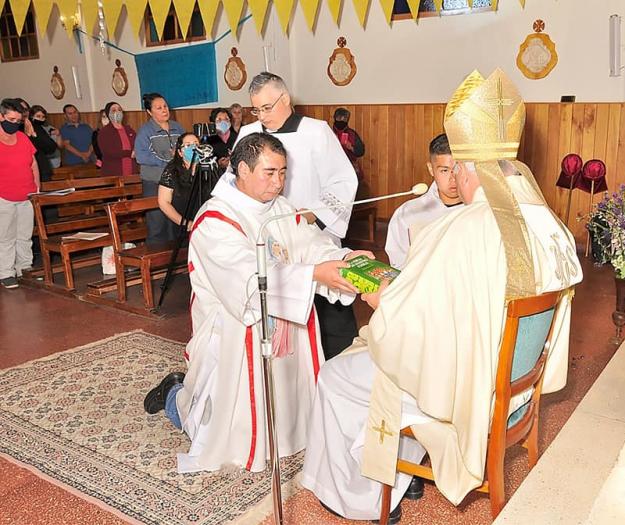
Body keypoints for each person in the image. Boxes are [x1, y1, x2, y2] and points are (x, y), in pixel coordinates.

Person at [301, 69, 583, 522]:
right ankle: (407, 476)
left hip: (471, 387)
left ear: (470, 169)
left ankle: (359, 497)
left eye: (461, 171)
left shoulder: (460, 229)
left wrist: (378, 297)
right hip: (514, 381)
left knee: (338, 376)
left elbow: (408, 331)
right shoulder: (548, 224)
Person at [143, 132, 372, 474]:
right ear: (242, 170)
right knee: (217, 428)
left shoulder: (279, 207)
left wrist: (343, 258)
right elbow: (247, 281)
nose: (279, 182)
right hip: (236, 329)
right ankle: (175, 395)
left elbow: (309, 245)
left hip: (286, 322)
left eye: (283, 172)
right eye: (270, 172)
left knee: (289, 396)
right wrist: (313, 274)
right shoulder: (216, 219)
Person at [235, 72, 359, 360]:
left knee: (327, 298)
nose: (262, 116)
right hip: (268, 234)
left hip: (309, 232)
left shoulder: (316, 131)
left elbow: (342, 180)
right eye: (256, 109)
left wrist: (315, 214)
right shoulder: (248, 134)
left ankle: (335, 363)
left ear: (286, 99)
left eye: (267, 107)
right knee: (279, 302)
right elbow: (235, 182)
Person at [384, 133, 463, 269]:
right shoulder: (407, 213)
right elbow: (399, 266)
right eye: (444, 170)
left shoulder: (483, 211)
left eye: (457, 169)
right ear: (431, 169)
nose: (453, 179)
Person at [135, 93, 185, 243]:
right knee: (157, 223)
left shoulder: (177, 127)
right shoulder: (146, 131)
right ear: (150, 112)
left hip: (175, 181)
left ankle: (174, 259)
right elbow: (142, 156)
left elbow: (186, 147)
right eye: (159, 108)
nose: (164, 110)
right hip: (154, 182)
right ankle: (155, 260)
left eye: (165, 106)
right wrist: (168, 159)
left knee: (175, 222)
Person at [0, 98, 39, 289]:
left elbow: (33, 163)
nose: (14, 124)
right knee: (6, 236)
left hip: (27, 195)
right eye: (11, 119)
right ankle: (6, 272)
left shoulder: (22, 138)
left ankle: (24, 267)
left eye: (18, 121)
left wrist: (37, 188)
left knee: (24, 235)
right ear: (1, 116)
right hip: (4, 196)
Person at [157, 132, 201, 239]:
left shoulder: (207, 167)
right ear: (180, 152)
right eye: (188, 145)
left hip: (205, 223)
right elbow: (163, 202)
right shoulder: (172, 170)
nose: (193, 148)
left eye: (196, 144)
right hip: (180, 224)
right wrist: (185, 223)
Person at [17, 99, 57, 183]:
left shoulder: (34, 125)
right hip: (21, 172)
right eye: (20, 109)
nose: (24, 112)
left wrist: (34, 136)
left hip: (41, 169)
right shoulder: (10, 128)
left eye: (26, 109)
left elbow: (51, 147)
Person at [97, 102, 136, 177]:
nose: (117, 112)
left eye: (119, 110)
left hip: (131, 170)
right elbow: (108, 152)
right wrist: (129, 153)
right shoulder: (104, 132)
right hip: (113, 172)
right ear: (109, 114)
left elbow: (137, 144)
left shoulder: (129, 130)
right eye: (114, 110)